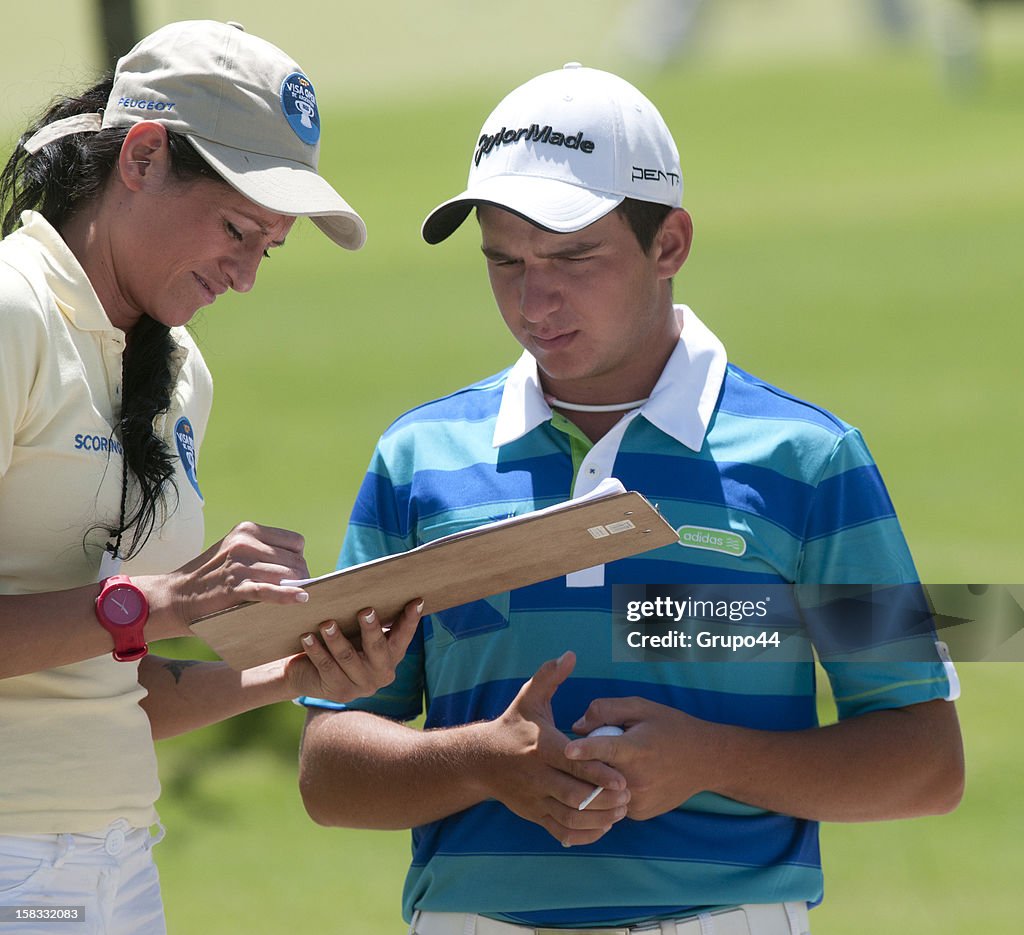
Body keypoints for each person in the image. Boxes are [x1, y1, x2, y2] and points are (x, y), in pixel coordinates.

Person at [297, 64, 964, 935]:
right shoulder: (418, 456)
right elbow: (330, 767)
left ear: (671, 244)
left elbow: (924, 761)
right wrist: (478, 762)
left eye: (574, 258)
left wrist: (712, 759)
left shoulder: (808, 459)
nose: (535, 302)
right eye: (505, 262)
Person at [0, 20, 421, 934]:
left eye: (268, 246)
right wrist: (161, 601)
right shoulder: (11, 312)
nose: (246, 276)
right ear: (142, 157)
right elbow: (137, 617)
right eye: (237, 229)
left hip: (118, 864)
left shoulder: (181, 369)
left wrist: (298, 665)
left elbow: (120, 692)